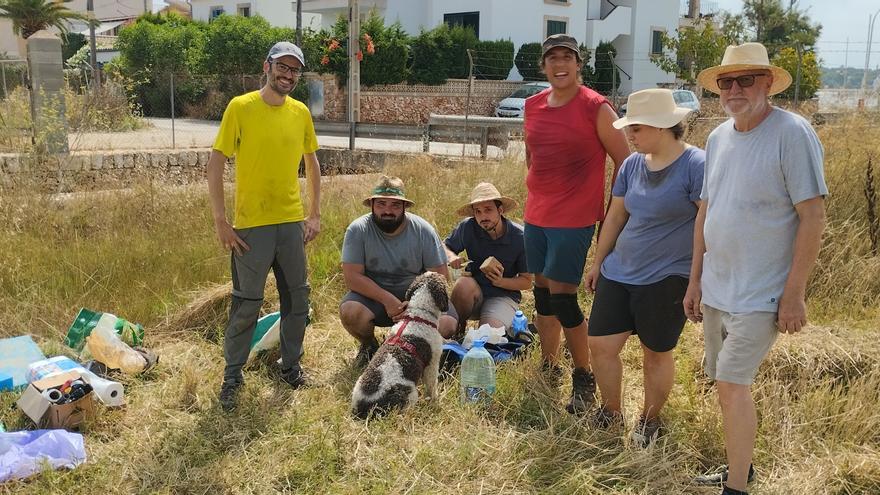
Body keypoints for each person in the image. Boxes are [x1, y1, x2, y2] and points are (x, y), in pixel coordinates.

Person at [684, 43, 827, 495]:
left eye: (746, 79)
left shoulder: (793, 133)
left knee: (731, 382)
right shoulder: (718, 137)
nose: (734, 89)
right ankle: (740, 471)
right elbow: (705, 213)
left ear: (768, 83)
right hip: (718, 286)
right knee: (725, 385)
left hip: (763, 292)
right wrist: (695, 279)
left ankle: (737, 489)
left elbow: (813, 216)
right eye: (727, 81)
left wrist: (794, 293)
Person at [583, 89, 704, 446]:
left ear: (664, 126)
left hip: (668, 276)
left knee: (656, 351)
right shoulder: (633, 165)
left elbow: (707, 223)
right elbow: (617, 214)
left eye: (635, 128)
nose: (629, 136)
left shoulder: (696, 165)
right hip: (620, 271)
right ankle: (611, 412)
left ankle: (650, 421)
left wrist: (698, 278)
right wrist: (598, 261)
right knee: (600, 345)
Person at [207, 41, 321, 411]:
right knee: (246, 304)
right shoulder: (241, 108)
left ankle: (290, 368)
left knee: (297, 300)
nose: (288, 75)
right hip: (251, 227)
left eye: (294, 70)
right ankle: (233, 376)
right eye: (282, 67)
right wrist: (221, 221)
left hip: (290, 222)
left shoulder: (300, 112)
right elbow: (216, 162)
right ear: (267, 66)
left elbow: (313, 162)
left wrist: (314, 212)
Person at [523, 34, 630, 414]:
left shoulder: (596, 108)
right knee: (541, 294)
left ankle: (583, 375)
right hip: (536, 216)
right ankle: (549, 364)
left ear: (579, 63)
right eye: (552, 58)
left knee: (564, 298)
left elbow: (625, 162)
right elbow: (531, 155)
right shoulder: (532, 105)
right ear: (543, 66)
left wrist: (615, 214)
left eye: (567, 57)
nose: (559, 64)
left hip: (574, 219)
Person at [340, 175, 457, 368]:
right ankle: (370, 347)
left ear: (404, 207)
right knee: (351, 312)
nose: (388, 211)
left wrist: (414, 307)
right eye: (381, 204)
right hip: (375, 299)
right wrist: (388, 300)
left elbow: (441, 277)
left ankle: (408, 351)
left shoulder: (423, 230)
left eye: (395, 205)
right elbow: (352, 277)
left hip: (418, 298)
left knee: (447, 326)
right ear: (372, 205)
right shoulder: (358, 230)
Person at [444, 182, 532, 335]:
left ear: (500, 210)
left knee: (488, 336)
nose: (483, 217)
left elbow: (526, 282)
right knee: (462, 283)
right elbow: (444, 246)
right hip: (474, 292)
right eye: (477, 211)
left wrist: (501, 281)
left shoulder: (521, 237)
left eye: (488, 210)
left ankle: (510, 326)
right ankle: (457, 331)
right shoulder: (468, 227)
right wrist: (451, 256)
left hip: (504, 295)